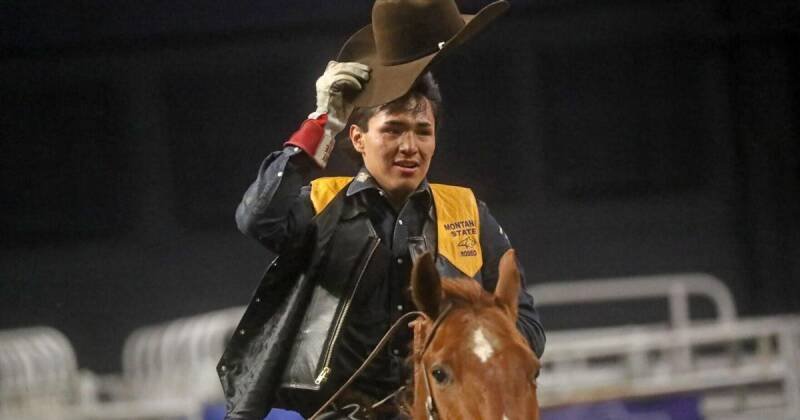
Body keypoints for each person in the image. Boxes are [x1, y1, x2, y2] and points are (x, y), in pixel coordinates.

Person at [217, 1, 545, 419]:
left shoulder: (467, 211)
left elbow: (529, 331)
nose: (410, 147)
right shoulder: (321, 203)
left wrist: (469, 337)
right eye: (393, 130)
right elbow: (256, 216)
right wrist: (320, 123)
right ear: (356, 138)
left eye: (423, 132)